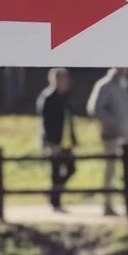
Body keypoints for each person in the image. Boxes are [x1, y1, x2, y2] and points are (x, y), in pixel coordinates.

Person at [88, 67, 128, 215]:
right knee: (111, 170)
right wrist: (114, 124)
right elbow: (95, 109)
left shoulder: (123, 85)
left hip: (127, 135)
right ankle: (108, 205)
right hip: (111, 135)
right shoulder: (105, 85)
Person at [36, 68, 76, 212]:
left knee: (71, 169)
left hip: (66, 140)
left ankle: (52, 193)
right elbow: (45, 123)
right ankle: (56, 202)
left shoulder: (66, 97)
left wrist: (73, 139)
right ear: (55, 80)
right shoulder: (48, 98)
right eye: (64, 79)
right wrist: (50, 143)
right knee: (56, 172)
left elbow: (68, 120)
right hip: (54, 141)